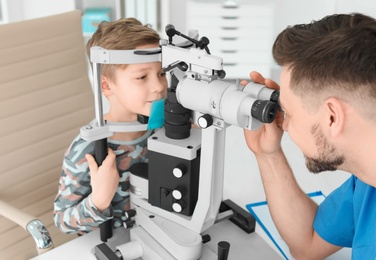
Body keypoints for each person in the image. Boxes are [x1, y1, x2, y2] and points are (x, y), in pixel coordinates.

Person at [244, 13, 376, 259]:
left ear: (332, 118)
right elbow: (308, 244)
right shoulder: (367, 180)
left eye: (290, 112)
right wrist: (267, 154)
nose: (284, 125)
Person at [54, 18, 167, 235]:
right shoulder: (86, 149)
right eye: (142, 77)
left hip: (156, 233)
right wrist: (99, 199)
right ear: (106, 85)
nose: (158, 86)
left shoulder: (162, 127)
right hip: (110, 242)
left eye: (161, 73)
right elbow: (62, 222)